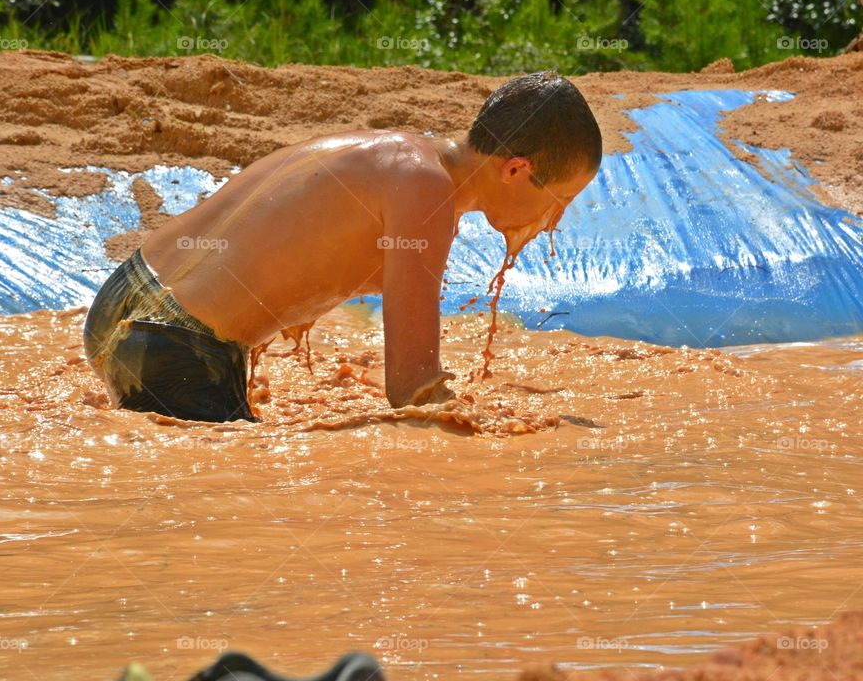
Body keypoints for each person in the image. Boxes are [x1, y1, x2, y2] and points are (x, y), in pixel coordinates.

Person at [83, 70, 602, 422]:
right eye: (561, 200)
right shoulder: (426, 196)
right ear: (516, 169)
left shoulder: (400, 155)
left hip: (124, 297)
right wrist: (507, 435)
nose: (555, 219)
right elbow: (414, 392)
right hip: (175, 349)